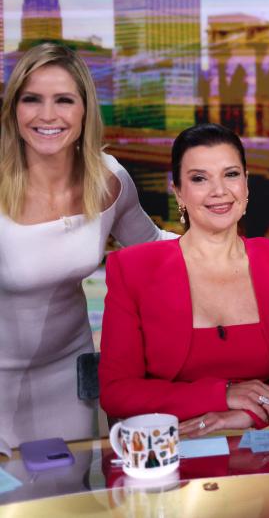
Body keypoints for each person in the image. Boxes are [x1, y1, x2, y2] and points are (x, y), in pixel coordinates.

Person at [99, 124, 269, 436]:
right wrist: (222, 395)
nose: (219, 190)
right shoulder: (133, 269)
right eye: (199, 178)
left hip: (256, 443)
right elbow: (117, 392)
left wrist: (252, 414)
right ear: (179, 192)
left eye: (231, 174)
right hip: (171, 447)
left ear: (246, 184)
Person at [0, 43, 174, 447]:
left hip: (70, 372)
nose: (47, 115)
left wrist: (231, 247)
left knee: (69, 495)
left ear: (84, 110)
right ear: (14, 109)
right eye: (32, 100)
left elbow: (152, 248)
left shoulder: (108, 178)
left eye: (64, 100)